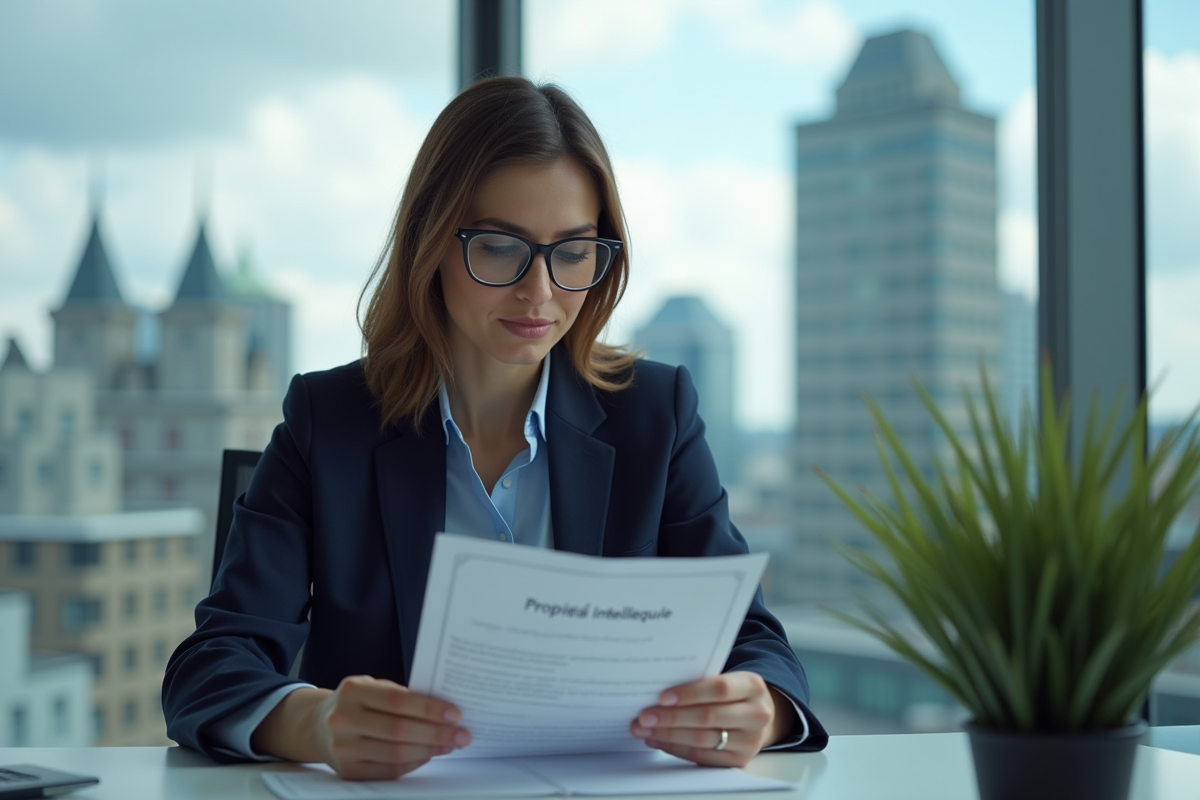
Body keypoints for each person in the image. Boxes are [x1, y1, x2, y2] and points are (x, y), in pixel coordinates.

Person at [163, 76, 828, 780]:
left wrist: (760, 707)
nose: (539, 291)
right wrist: (312, 722)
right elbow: (208, 669)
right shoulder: (329, 423)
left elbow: (758, 645)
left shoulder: (654, 414)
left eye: (573, 252)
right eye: (502, 247)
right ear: (431, 244)